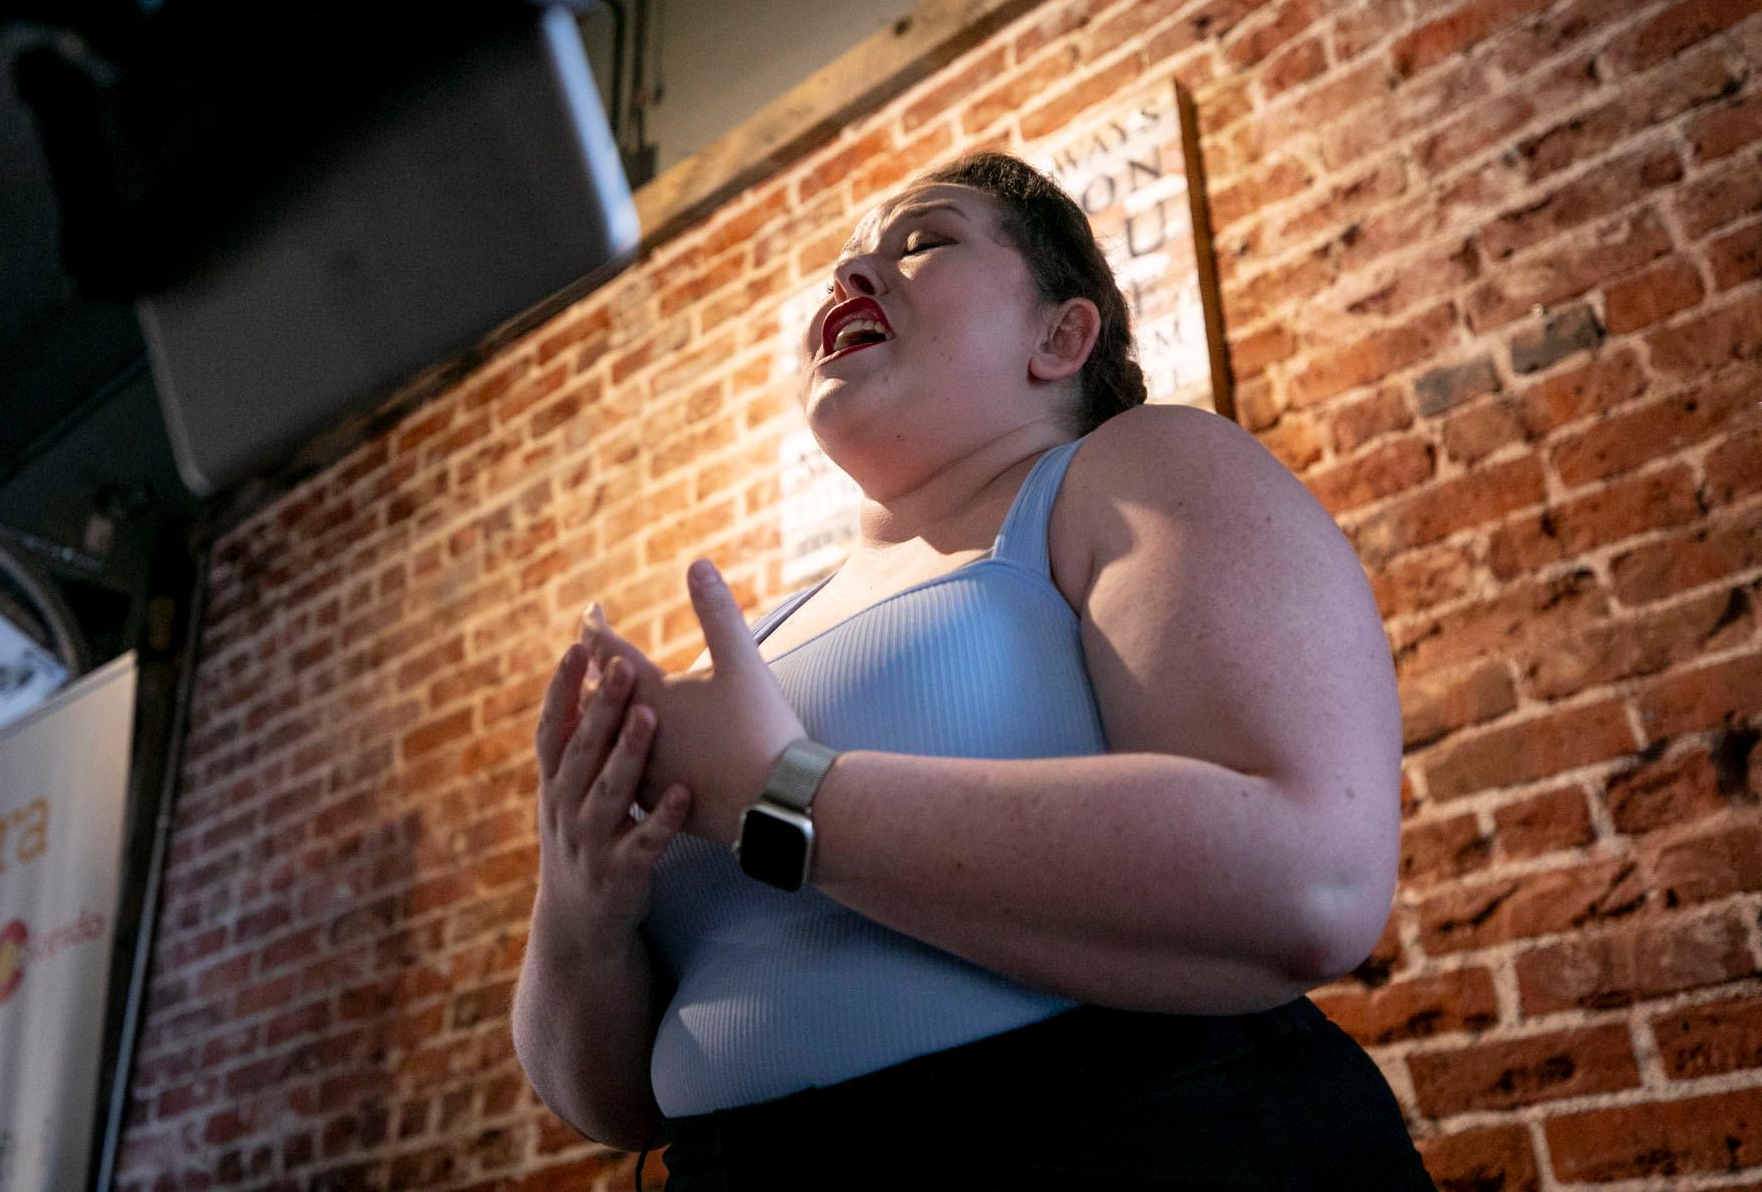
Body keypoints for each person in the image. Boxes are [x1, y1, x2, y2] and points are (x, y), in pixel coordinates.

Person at [510, 152, 1436, 1190]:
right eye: (847, 259)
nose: (854, 272)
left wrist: (782, 796)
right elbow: (614, 1107)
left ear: (1059, 335)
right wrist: (581, 914)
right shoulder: (752, 646)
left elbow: (1310, 876)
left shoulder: (1132, 469)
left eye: (922, 241)